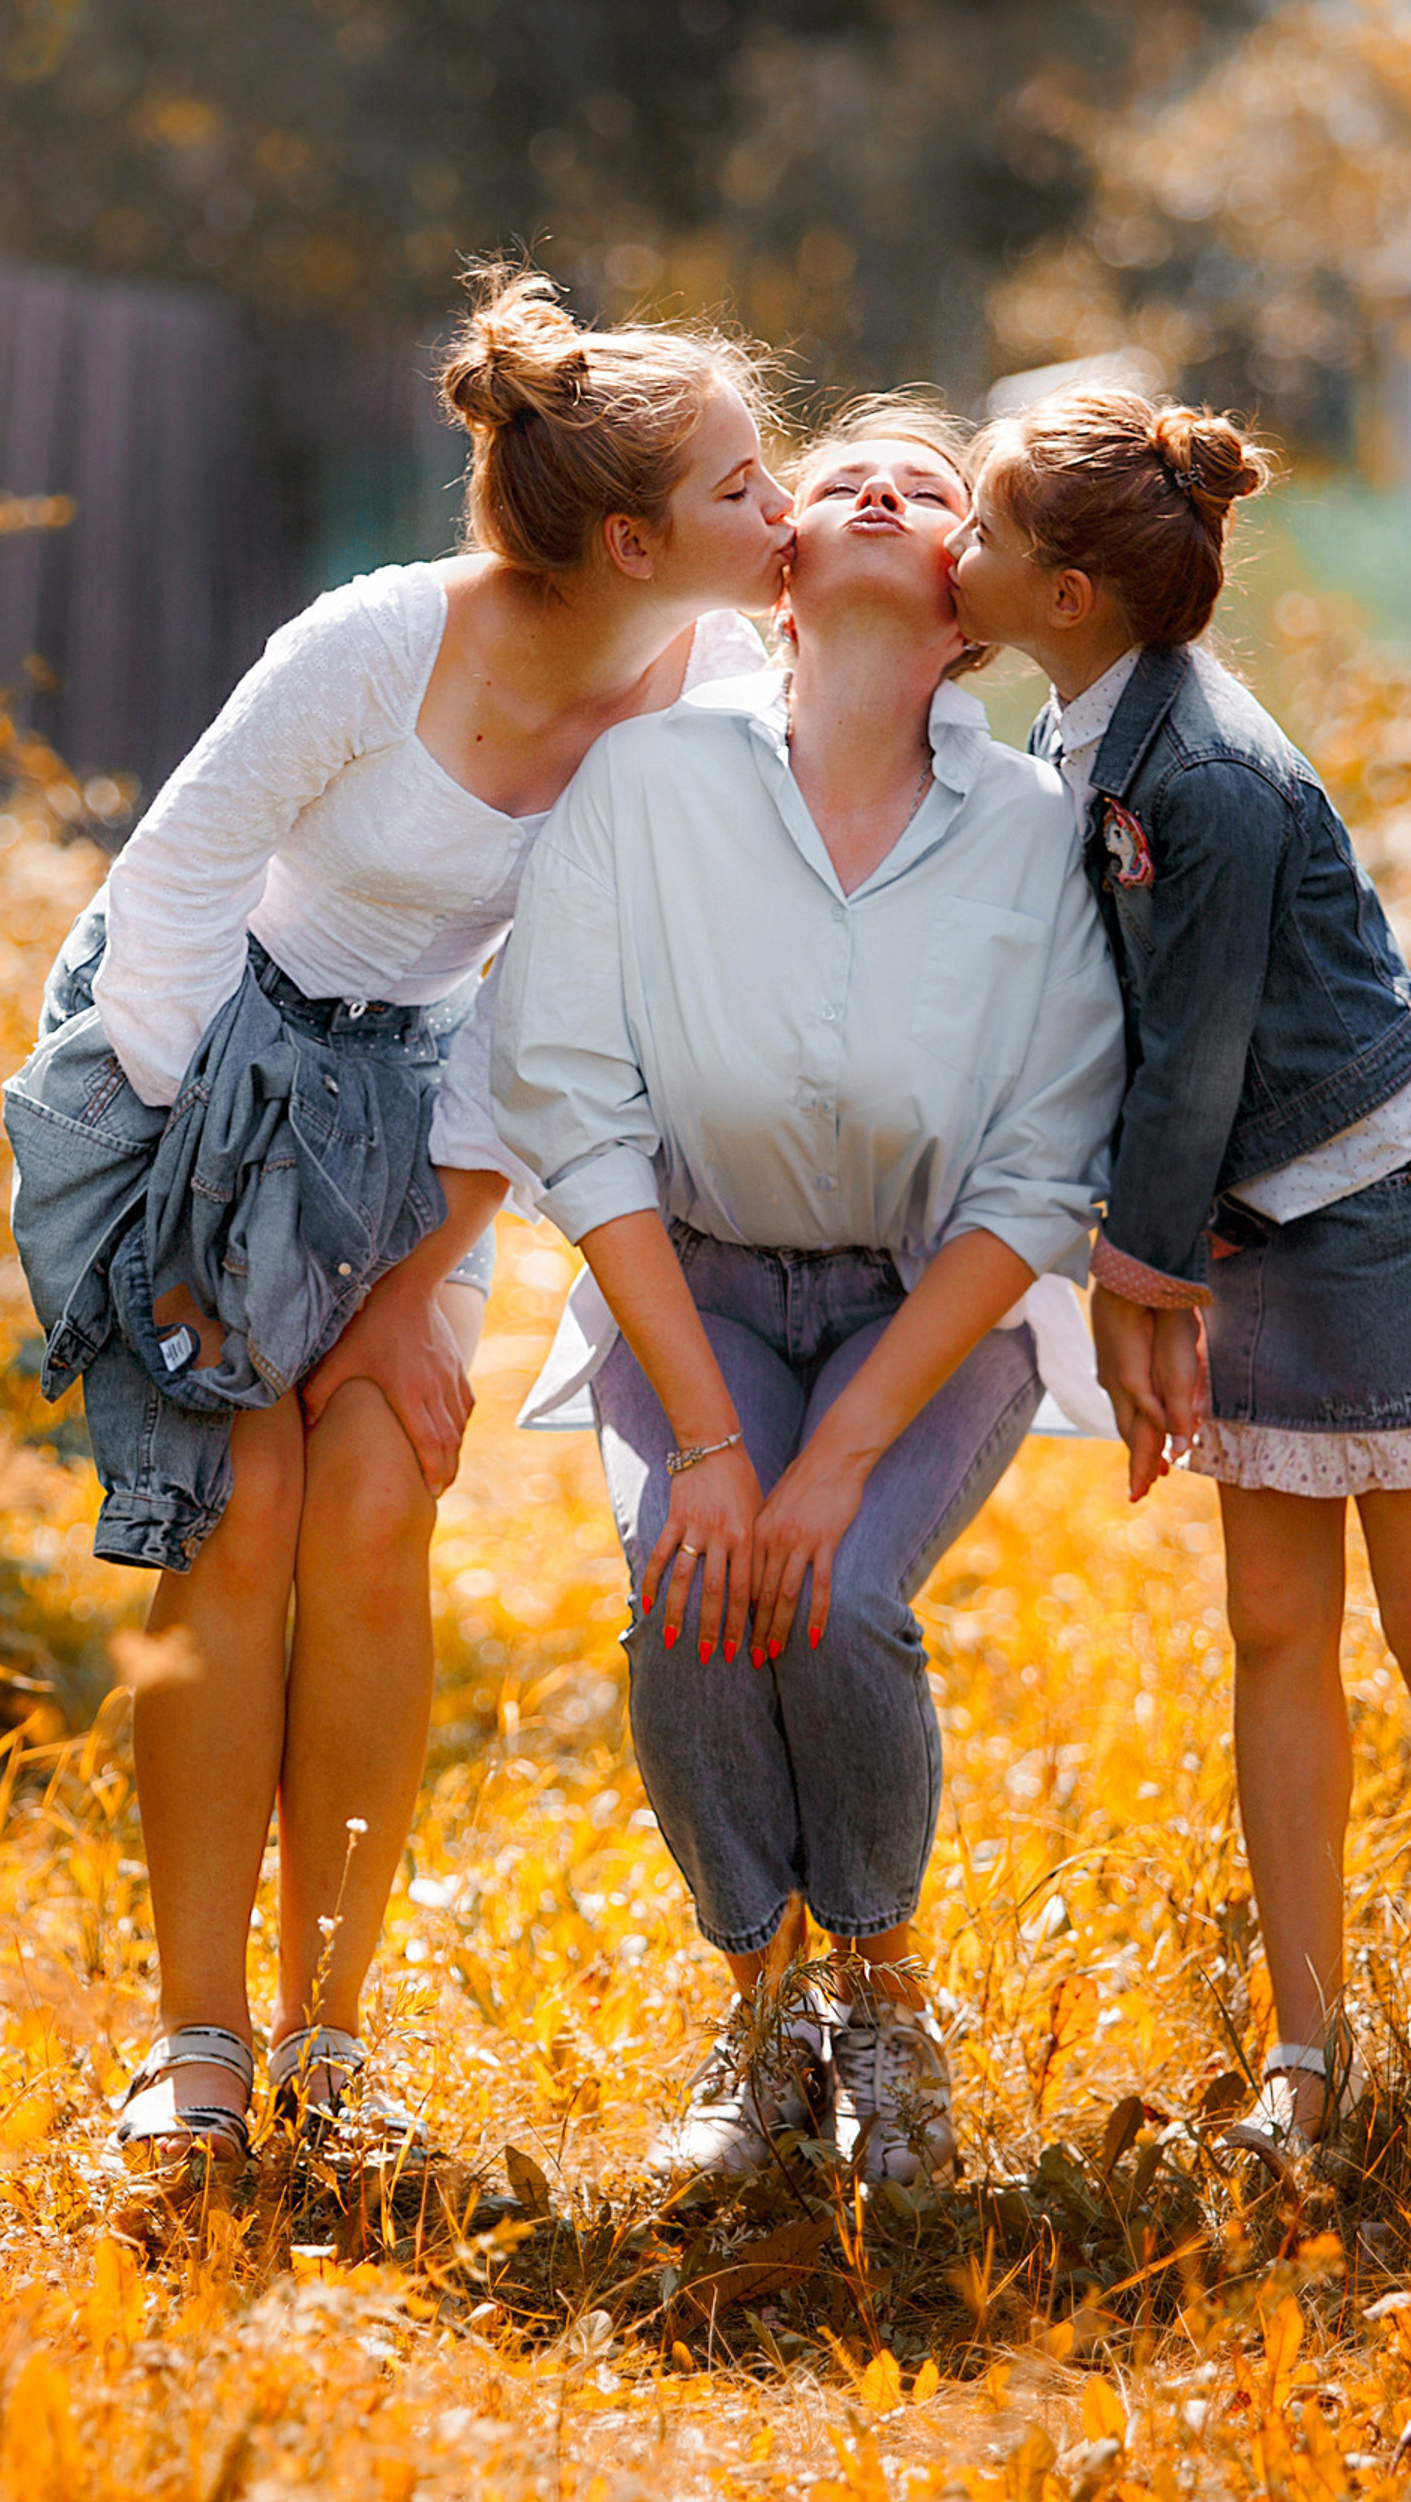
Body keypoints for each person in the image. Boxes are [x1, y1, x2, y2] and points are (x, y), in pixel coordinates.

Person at [4, 266, 792, 2170]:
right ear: (632, 537)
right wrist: (225, 1248)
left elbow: (552, 1020)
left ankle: (330, 2041)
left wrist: (398, 1286)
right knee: (243, 1507)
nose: (782, 512)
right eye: (747, 488)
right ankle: (195, 2045)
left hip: (423, 1115)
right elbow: (174, 896)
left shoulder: (715, 698)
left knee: (376, 1507)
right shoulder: (375, 643)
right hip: (199, 1060)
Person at [489, 401, 1125, 2187]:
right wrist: (708, 1434)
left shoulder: (1035, 836)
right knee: (696, 1585)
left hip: (933, 1307)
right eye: (842, 470)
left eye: (928, 488)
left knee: (833, 1596)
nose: (869, 489)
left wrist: (835, 1450)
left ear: (971, 601)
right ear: (782, 573)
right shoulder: (649, 783)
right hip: (686, 1283)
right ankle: (760, 2011)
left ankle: (887, 1995)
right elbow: (571, 1107)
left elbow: (1036, 1179)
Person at [946, 386, 1411, 2184]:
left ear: (1068, 592)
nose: (954, 559)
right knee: (1275, 1630)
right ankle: (1310, 2045)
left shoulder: (1198, 776)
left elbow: (1193, 1059)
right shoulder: (1089, 727)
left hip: (1370, 1203)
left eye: (981, 535)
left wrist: (1140, 1293)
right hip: (1244, 1216)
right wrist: (1150, 1277)